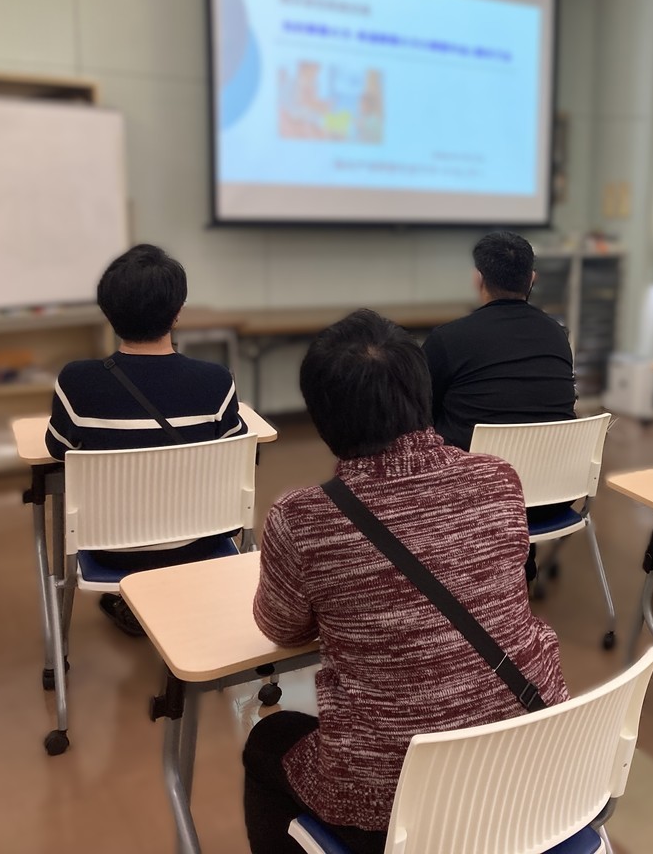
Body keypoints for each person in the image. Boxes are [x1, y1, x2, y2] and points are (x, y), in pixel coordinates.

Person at [244, 310, 568, 854]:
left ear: (323, 418)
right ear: (424, 392)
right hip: (530, 762)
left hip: (391, 798)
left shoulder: (303, 519)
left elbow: (280, 628)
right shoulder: (498, 478)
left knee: (266, 741)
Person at [45, 244, 245, 636]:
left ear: (108, 312)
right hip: (201, 543)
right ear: (178, 312)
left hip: (111, 550)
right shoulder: (216, 380)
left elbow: (58, 451)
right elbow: (233, 451)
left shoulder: (77, 381)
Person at [422, 231, 576, 452]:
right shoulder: (558, 336)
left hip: (474, 481)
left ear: (478, 279)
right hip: (553, 477)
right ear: (532, 279)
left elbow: (421, 413)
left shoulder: (447, 339)